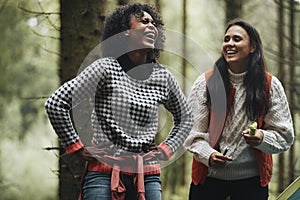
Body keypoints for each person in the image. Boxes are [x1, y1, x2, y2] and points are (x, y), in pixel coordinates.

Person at [45, 3, 193, 200]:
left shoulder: (163, 77)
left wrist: (166, 149)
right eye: (143, 22)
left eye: (153, 23)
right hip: (103, 173)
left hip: (146, 175)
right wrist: (76, 146)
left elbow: (186, 117)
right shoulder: (104, 69)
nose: (151, 26)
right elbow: (56, 103)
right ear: (124, 32)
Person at [184, 19, 294, 200]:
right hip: (208, 180)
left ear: (252, 47)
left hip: (252, 182)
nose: (230, 44)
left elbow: (285, 135)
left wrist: (261, 138)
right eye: (226, 39)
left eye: (237, 39)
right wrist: (208, 155)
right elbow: (191, 134)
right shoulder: (205, 83)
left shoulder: (269, 85)